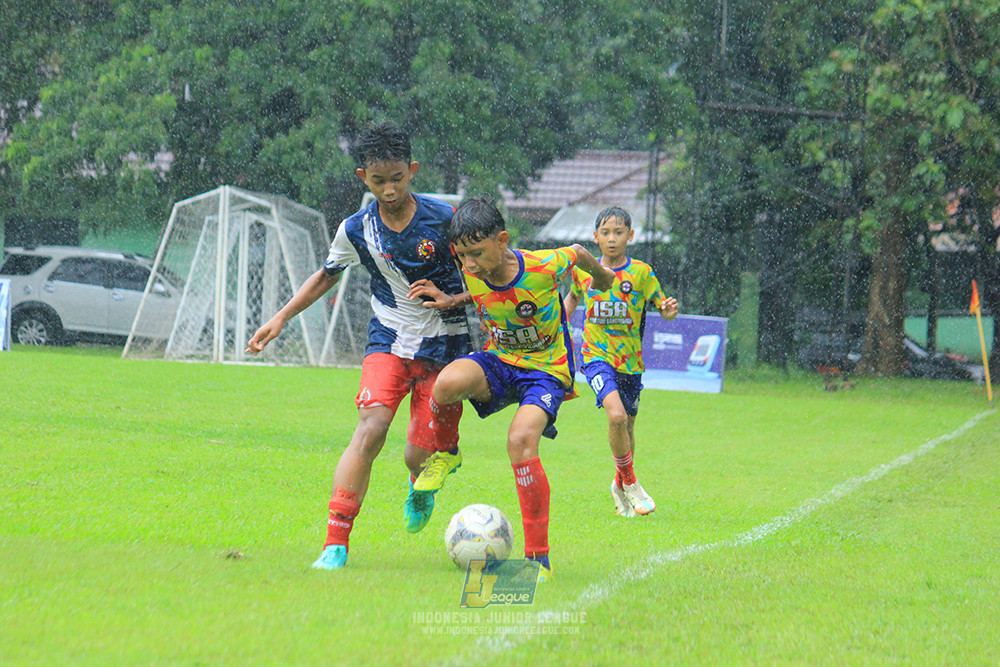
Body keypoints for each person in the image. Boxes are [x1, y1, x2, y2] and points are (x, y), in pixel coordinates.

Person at [246, 122, 472, 570]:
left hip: (445, 346)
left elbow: (488, 273)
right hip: (387, 339)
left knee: (415, 455)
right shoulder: (355, 229)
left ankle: (424, 477)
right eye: (378, 181)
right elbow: (325, 276)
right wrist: (280, 317)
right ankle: (335, 543)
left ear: (412, 171)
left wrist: (453, 299)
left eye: (397, 179)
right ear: (362, 177)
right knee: (370, 429)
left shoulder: (446, 219)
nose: (389, 190)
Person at [419, 195, 615, 581]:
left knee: (520, 440)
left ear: (503, 240)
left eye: (477, 253)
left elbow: (578, 252)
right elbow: (481, 290)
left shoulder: (542, 266)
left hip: (545, 371)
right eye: (462, 256)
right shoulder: (471, 268)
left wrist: (602, 276)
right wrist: (452, 299)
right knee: (445, 384)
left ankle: (538, 560)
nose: (469, 264)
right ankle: (447, 453)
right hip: (500, 361)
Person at [564, 206, 678, 517]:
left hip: (631, 363)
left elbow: (663, 306)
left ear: (631, 235)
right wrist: (556, 326)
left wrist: (668, 311)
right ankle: (632, 483)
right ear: (595, 237)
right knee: (616, 417)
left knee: (626, 426)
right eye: (605, 233)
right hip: (595, 356)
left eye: (618, 232)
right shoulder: (583, 271)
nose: (612, 238)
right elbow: (572, 299)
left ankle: (618, 484)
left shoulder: (641, 273)